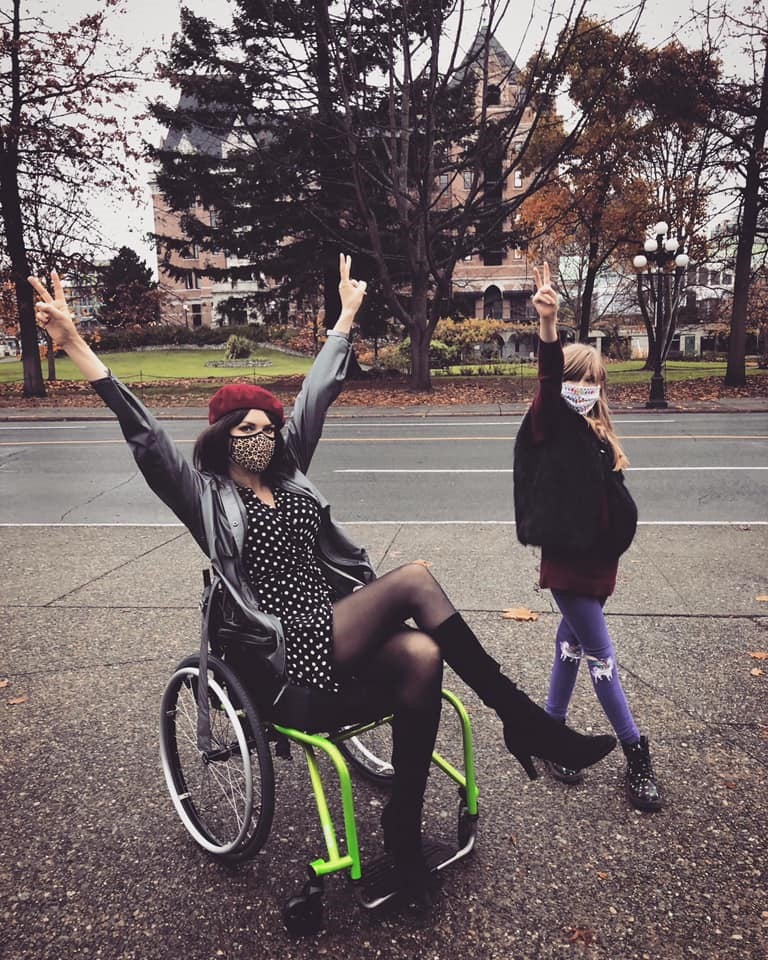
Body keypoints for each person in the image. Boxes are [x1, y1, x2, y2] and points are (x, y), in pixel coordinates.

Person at [29, 256, 616, 905]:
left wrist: (345, 315)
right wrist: (79, 347)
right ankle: (523, 719)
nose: (263, 438)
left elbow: (316, 395)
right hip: (285, 653)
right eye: (247, 431)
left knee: (423, 653)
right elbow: (145, 438)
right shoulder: (205, 498)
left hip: (337, 627)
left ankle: (402, 829)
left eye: (268, 429)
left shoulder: (290, 473)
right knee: (416, 579)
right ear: (224, 439)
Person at [514, 262, 662, 812]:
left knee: (571, 643)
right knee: (602, 656)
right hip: (570, 568)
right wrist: (549, 328)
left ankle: (550, 730)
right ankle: (637, 751)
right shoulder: (549, 427)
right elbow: (549, 382)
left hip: (600, 566)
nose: (583, 388)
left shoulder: (598, 435)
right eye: (576, 379)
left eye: (592, 381)